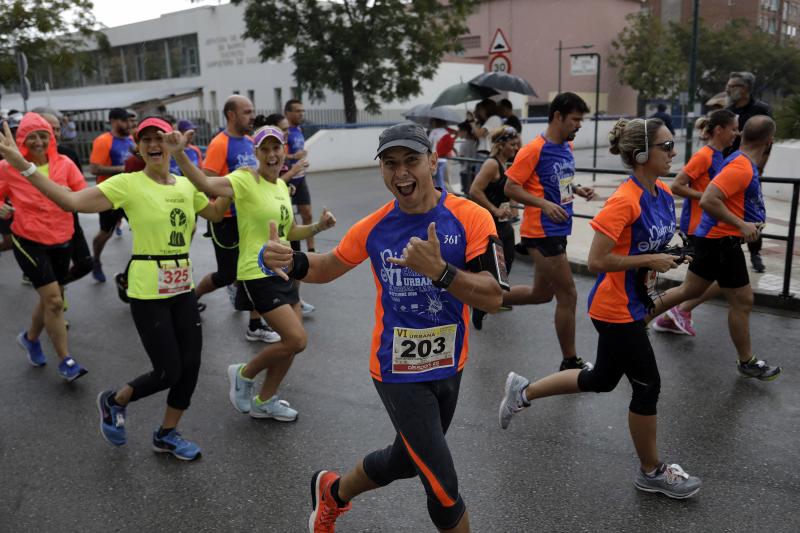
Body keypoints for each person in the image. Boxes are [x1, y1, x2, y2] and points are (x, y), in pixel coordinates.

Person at [259, 123, 503, 532]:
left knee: (405, 459)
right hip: (397, 370)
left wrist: (440, 272)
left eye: (411, 161)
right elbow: (328, 266)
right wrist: (290, 260)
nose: (401, 173)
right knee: (442, 487)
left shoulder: (472, 218)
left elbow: (494, 297)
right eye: (390, 164)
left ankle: (333, 492)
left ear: (433, 161)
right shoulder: (375, 226)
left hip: (450, 365)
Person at [0, 116, 229, 459]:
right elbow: (71, 202)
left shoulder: (184, 185)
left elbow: (214, 213)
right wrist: (25, 168)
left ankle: (167, 433)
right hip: (147, 289)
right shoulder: (127, 184)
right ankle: (115, 400)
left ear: (173, 142)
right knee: (168, 370)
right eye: (145, 139)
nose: (154, 145)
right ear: (137, 146)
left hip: (182, 286)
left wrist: (231, 187)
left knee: (191, 365)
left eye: (161, 138)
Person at [499, 117, 703, 500]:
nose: (674, 152)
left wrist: (669, 257)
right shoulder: (624, 200)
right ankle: (651, 471)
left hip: (633, 303)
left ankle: (523, 392)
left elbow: (643, 248)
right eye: (667, 145)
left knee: (602, 379)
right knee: (649, 386)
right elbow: (597, 260)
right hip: (615, 310)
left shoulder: (660, 193)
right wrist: (650, 260)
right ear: (641, 154)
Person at [175, 125, 336, 421]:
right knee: (297, 339)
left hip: (284, 273)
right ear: (256, 153)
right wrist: (179, 155)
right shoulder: (246, 179)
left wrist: (318, 227)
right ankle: (243, 373)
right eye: (265, 149)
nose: (272, 154)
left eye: (277, 148)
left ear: (284, 150)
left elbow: (288, 231)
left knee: (290, 348)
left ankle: (264, 400)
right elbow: (208, 186)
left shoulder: (280, 187)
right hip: (257, 272)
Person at [648, 116, 782, 381]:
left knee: (695, 291)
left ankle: (634, 320)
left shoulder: (741, 162)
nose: (733, 133)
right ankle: (747, 361)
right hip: (720, 241)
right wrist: (742, 225)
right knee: (737, 299)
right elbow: (710, 198)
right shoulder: (740, 166)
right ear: (769, 141)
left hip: (720, 241)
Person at [476, 93, 596, 373]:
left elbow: (558, 180)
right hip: (541, 231)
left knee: (541, 294)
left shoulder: (566, 147)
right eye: (576, 119)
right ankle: (570, 361)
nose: (579, 125)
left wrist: (577, 189)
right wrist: (543, 204)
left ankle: (481, 299)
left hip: (557, 229)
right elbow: (510, 188)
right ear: (558, 116)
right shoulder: (533, 149)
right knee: (568, 295)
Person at [0, 113, 88, 381]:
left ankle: (30, 339)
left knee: (49, 299)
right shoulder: (8, 166)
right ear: (21, 140)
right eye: (32, 136)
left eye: (43, 135)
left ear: (51, 138)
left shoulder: (66, 164)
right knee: (54, 301)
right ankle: (66, 360)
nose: (38, 142)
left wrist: (71, 196)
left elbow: (83, 194)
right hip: (28, 239)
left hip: (63, 238)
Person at [194, 95, 280, 343]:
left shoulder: (252, 142)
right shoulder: (220, 144)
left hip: (251, 217)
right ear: (231, 115)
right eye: (247, 112)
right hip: (227, 219)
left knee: (256, 267)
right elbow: (206, 183)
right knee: (227, 274)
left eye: (252, 111)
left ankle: (255, 324)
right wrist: (234, 190)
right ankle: (193, 297)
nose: (252, 116)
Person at [652, 109, 739, 335]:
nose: (736, 134)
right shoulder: (704, 156)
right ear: (719, 129)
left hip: (715, 228)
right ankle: (651, 316)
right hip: (700, 228)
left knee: (725, 280)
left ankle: (673, 315)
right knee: (698, 286)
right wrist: (710, 198)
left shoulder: (722, 156)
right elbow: (678, 185)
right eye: (733, 129)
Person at [725, 71, 771, 273]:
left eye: (734, 85)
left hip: (751, 170)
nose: (729, 89)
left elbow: (768, 141)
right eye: (729, 85)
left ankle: (755, 253)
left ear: (746, 88)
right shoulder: (728, 111)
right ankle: (726, 248)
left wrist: (759, 168)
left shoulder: (761, 110)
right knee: (725, 208)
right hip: (729, 169)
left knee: (753, 212)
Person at [41, 112, 94, 284]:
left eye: (58, 129)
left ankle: (58, 285)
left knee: (85, 265)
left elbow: (80, 188)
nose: (56, 133)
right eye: (51, 128)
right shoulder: (25, 159)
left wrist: (70, 193)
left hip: (70, 220)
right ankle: (53, 293)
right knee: (53, 293)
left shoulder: (68, 154)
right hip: (41, 226)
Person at [89, 107, 135, 282]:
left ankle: (133, 273)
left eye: (131, 121)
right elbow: (94, 168)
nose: (129, 124)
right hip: (109, 195)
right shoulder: (103, 141)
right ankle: (96, 260)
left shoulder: (132, 140)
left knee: (142, 230)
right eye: (126, 121)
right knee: (105, 233)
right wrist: (124, 169)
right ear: (114, 121)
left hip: (131, 195)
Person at [468, 126, 520, 274]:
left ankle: (500, 294)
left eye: (516, 144)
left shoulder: (505, 163)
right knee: (497, 270)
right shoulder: (491, 164)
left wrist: (512, 208)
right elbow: (474, 190)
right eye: (512, 144)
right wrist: (495, 210)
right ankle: (496, 295)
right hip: (491, 225)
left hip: (503, 224)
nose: (516, 148)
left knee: (506, 265)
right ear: (501, 145)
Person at [284, 99, 317, 316]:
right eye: (297, 111)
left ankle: (312, 251)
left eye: (303, 111)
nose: (301, 114)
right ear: (287, 113)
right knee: (287, 227)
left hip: (300, 177)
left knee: (307, 214)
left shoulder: (299, 130)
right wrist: (292, 158)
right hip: (285, 179)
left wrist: (302, 159)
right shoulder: (282, 132)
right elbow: (277, 156)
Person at [428, 118, 455, 190]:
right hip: (445, 159)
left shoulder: (433, 131)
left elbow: (429, 144)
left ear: (436, 122)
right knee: (446, 181)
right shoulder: (446, 132)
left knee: (437, 181)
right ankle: (448, 196)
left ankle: (441, 196)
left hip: (435, 158)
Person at [455, 121, 479, 195]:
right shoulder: (475, 143)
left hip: (465, 172)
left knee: (466, 192)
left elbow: (461, 160)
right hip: (473, 171)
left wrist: (456, 153)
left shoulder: (464, 145)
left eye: (459, 131)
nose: (458, 132)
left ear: (465, 131)